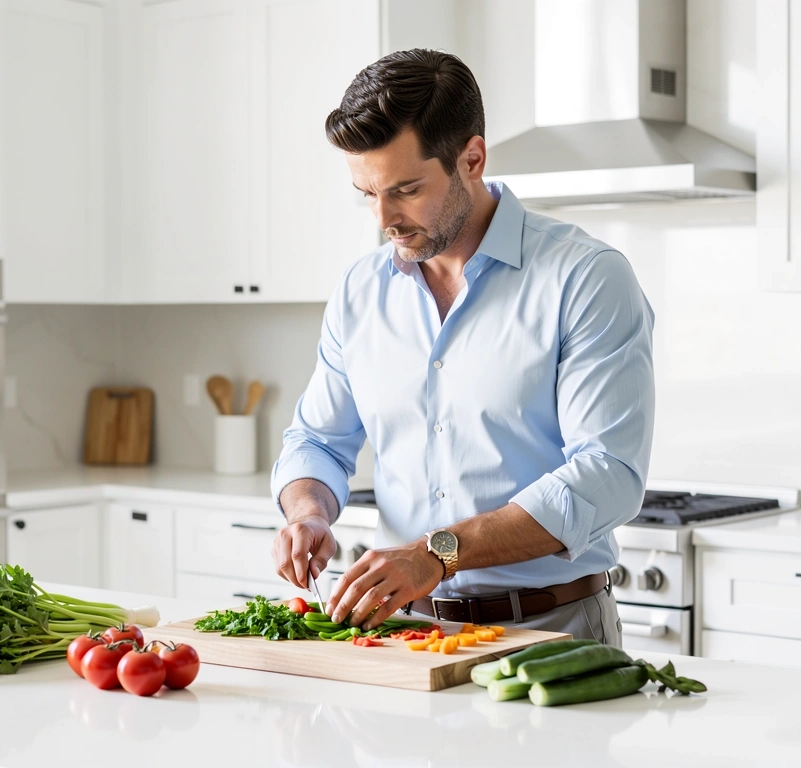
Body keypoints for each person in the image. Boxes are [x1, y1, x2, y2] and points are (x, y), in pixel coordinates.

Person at [269, 49, 654, 645]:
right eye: (366, 193)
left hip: (551, 633)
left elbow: (607, 476)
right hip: (406, 635)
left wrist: (437, 554)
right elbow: (318, 440)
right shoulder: (360, 291)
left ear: (471, 158)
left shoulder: (584, 278)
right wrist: (308, 512)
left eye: (405, 189)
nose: (384, 218)